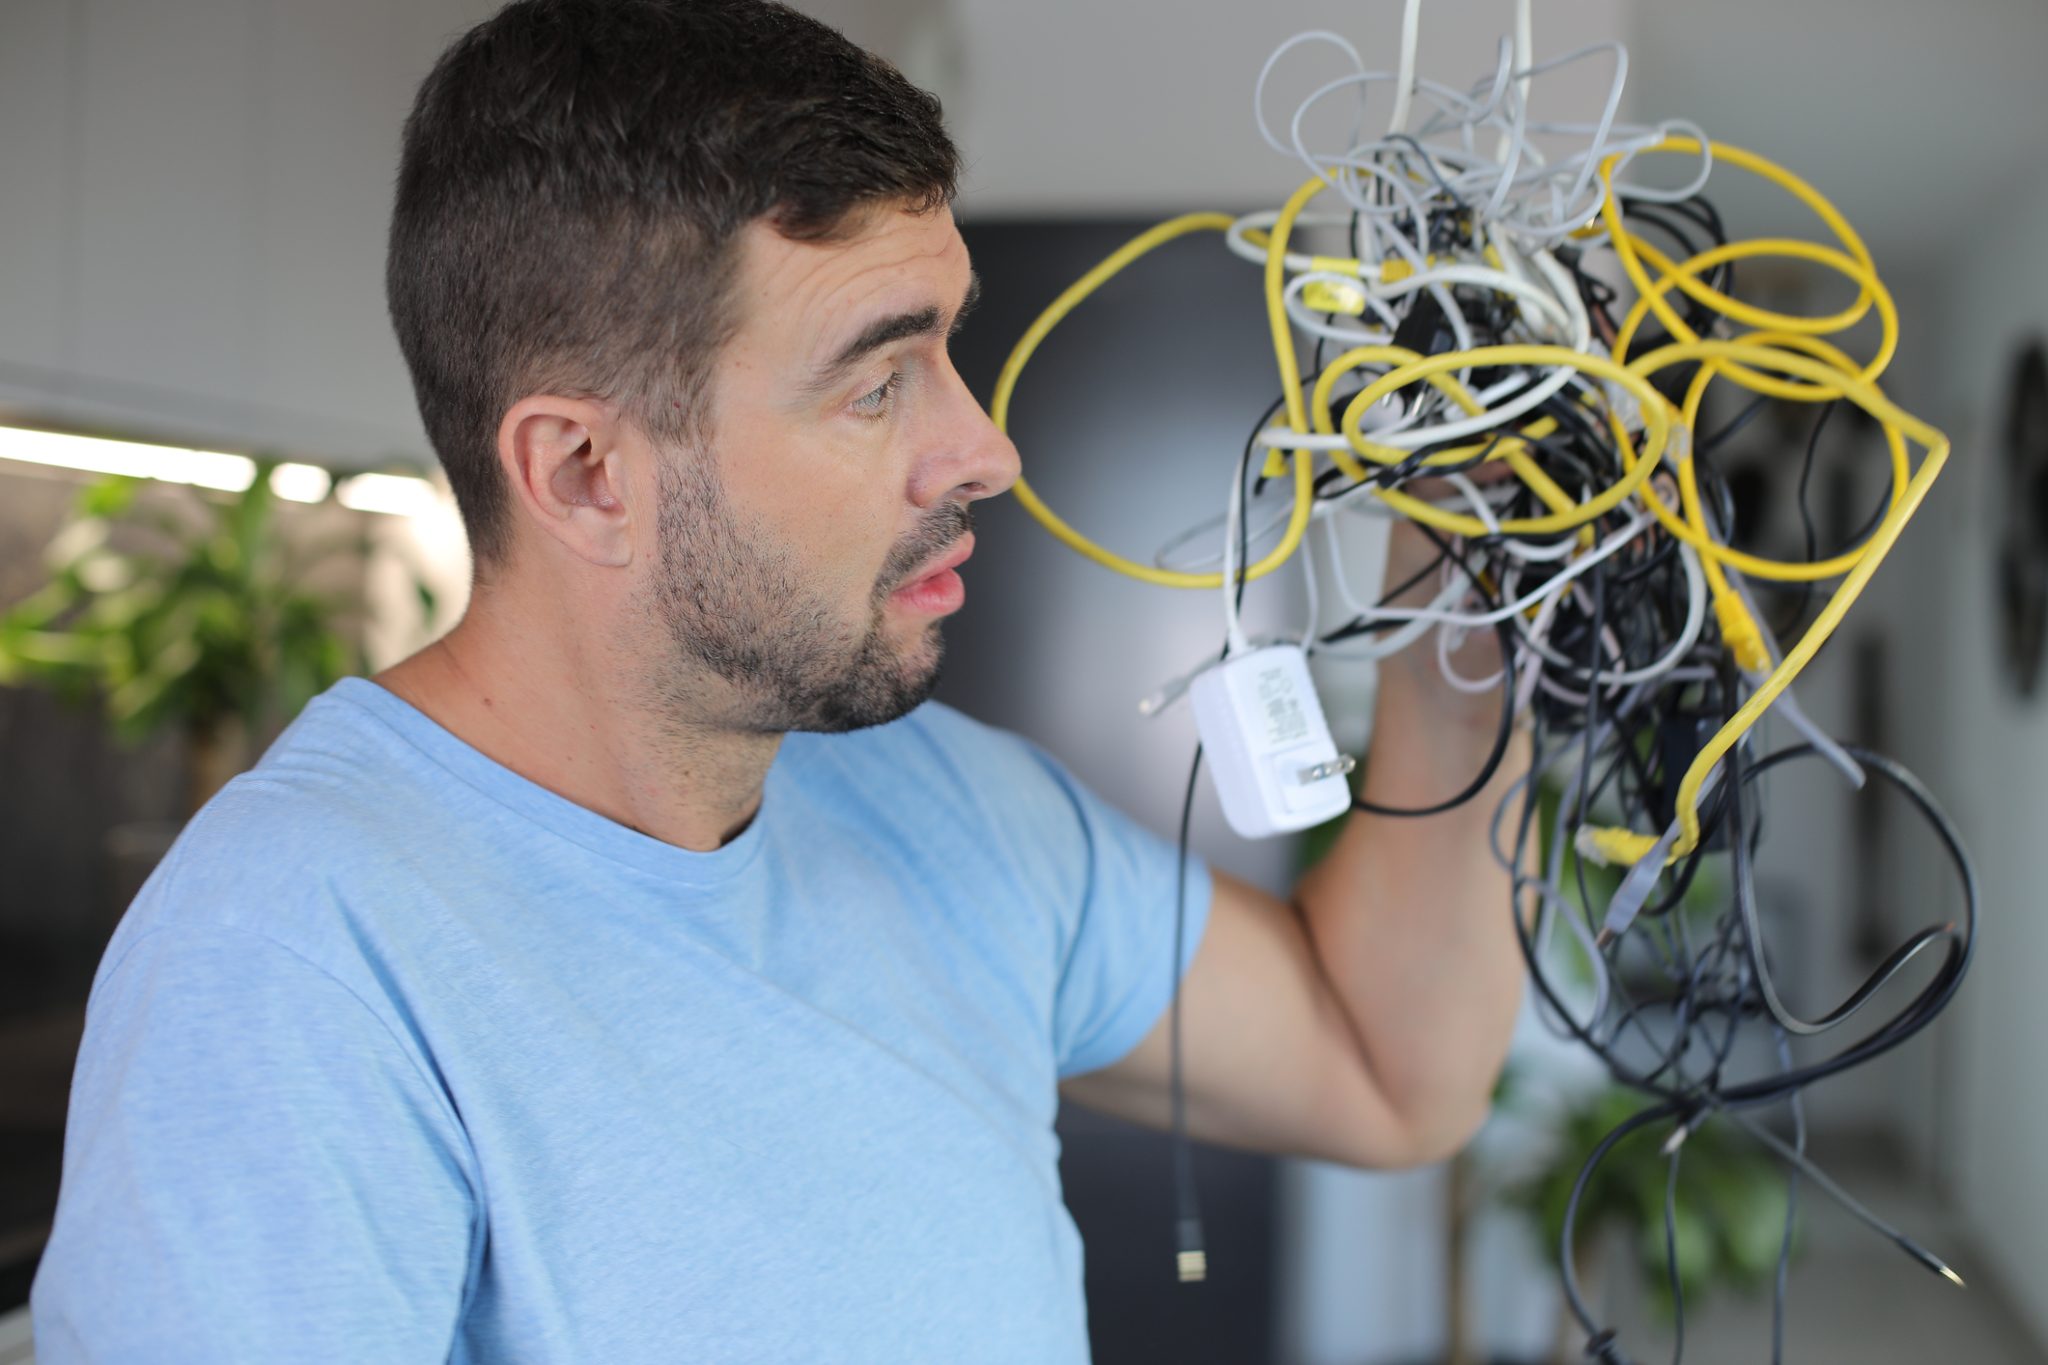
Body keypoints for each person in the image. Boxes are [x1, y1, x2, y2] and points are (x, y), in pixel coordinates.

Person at [31, 1, 1526, 1360]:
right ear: (586, 472)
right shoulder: (295, 961)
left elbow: (1387, 1064)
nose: (983, 449)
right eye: (877, 383)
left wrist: (1468, 622)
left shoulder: (955, 808)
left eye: (946, 346)